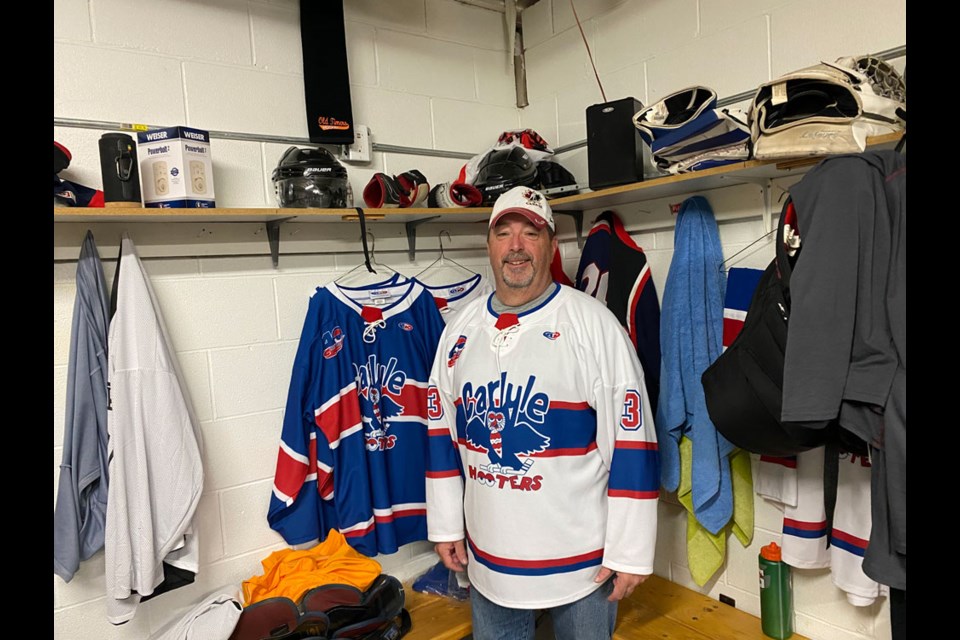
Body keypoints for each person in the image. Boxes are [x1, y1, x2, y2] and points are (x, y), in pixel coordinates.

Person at [424, 186, 660, 640]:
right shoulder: (459, 329)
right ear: (489, 245)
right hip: (489, 561)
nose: (516, 246)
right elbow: (441, 438)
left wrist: (630, 551)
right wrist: (447, 524)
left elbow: (633, 443)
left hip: (582, 567)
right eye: (504, 233)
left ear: (551, 244)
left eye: (530, 233)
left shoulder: (593, 325)